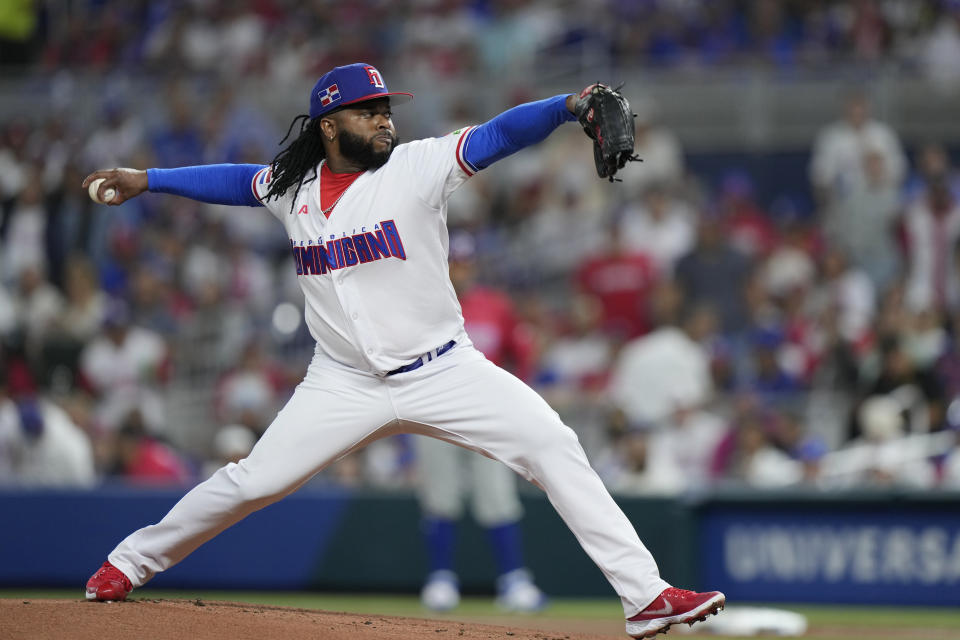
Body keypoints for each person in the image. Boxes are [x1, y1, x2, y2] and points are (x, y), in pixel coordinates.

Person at [82, 63, 724, 639]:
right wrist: (149, 179)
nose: (385, 118)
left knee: (553, 443)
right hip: (341, 383)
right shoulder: (291, 187)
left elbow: (498, 135)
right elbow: (234, 181)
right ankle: (126, 563)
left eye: (388, 108)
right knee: (253, 481)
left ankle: (646, 597)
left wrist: (567, 105)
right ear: (331, 125)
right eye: (370, 110)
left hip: (444, 368)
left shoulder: (417, 166)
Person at [416, 232, 545, 613]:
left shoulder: (495, 306)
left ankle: (513, 581)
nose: (461, 268)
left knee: (497, 497)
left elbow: (522, 352)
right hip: (434, 409)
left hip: (486, 412)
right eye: (455, 261)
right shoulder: (424, 302)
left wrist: (514, 398)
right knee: (440, 497)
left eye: (466, 262)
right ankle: (440, 579)